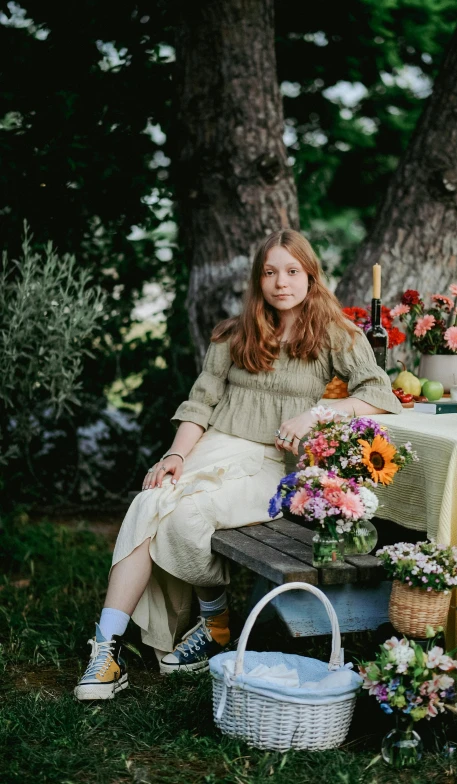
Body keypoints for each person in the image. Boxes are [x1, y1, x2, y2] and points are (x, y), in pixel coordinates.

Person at [74, 229, 401, 700]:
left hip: (269, 462)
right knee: (149, 503)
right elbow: (200, 406)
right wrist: (175, 456)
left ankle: (215, 623)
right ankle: (106, 651)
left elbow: (377, 393)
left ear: (310, 275)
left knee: (186, 520)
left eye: (292, 272)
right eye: (270, 272)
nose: (281, 282)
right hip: (213, 447)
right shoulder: (233, 334)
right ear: (258, 278)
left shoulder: (336, 334)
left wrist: (317, 413)